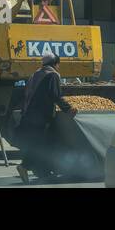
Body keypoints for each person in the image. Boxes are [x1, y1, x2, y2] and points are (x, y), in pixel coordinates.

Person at [15, 54, 73, 184]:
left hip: (29, 114)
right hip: (40, 116)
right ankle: (25, 166)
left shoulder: (36, 74)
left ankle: (43, 171)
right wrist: (68, 108)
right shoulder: (52, 75)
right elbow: (55, 95)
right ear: (56, 63)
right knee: (40, 144)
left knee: (41, 142)